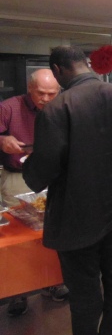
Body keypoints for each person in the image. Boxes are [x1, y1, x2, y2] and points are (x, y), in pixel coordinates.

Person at [23, 46, 112, 335]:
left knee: (84, 288)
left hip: (76, 213)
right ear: (85, 64)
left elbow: (43, 170)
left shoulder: (58, 108)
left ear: (57, 70)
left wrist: (28, 166)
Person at [0, 68, 68, 316]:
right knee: (19, 236)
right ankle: (18, 293)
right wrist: (2, 141)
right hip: (18, 177)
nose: (46, 99)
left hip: (53, 177)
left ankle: (53, 283)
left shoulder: (62, 107)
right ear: (30, 88)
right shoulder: (9, 107)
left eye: (52, 93)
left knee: (50, 232)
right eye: (41, 93)